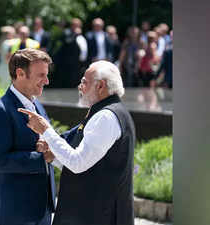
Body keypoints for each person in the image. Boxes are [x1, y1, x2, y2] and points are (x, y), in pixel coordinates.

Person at [19, 60, 136, 225]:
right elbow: (88, 163)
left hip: (96, 215)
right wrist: (55, 155)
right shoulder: (106, 112)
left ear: (101, 86)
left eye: (84, 82)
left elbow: (77, 163)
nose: (80, 86)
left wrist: (46, 130)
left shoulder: (106, 117)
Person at [0, 48, 56, 225]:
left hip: (42, 209)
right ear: (20, 73)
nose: (46, 81)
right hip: (16, 212)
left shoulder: (37, 104)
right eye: (41, 75)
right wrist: (42, 157)